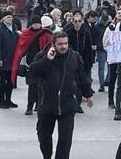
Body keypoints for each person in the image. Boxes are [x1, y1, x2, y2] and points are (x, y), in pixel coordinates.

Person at [31, 31, 94, 159]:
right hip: (47, 105)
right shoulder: (42, 55)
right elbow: (32, 72)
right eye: (60, 44)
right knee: (44, 137)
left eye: (65, 43)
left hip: (67, 105)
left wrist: (88, 94)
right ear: (53, 44)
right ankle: (47, 156)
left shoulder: (74, 57)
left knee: (65, 140)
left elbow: (82, 77)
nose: (63, 46)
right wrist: (47, 60)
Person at [10, 15, 52, 115]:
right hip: (30, 64)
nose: (36, 25)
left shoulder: (46, 34)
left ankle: (38, 105)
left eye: (38, 23)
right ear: (32, 24)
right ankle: (29, 107)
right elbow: (21, 48)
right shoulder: (26, 34)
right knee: (32, 86)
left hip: (42, 64)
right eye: (34, 23)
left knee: (40, 86)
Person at [65, 11, 93, 113]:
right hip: (70, 61)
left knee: (81, 83)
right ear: (72, 22)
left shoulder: (86, 32)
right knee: (72, 84)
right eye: (75, 21)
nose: (77, 23)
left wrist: (90, 62)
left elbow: (89, 49)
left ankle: (78, 104)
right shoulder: (68, 32)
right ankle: (71, 103)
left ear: (82, 22)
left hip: (83, 61)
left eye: (79, 21)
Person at [0, 10, 19, 109]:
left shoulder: (14, 28)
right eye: (8, 17)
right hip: (4, 59)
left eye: (11, 17)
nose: (10, 18)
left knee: (10, 81)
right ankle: (2, 101)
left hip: (13, 59)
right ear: (3, 19)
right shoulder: (0, 29)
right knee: (3, 80)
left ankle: (8, 100)